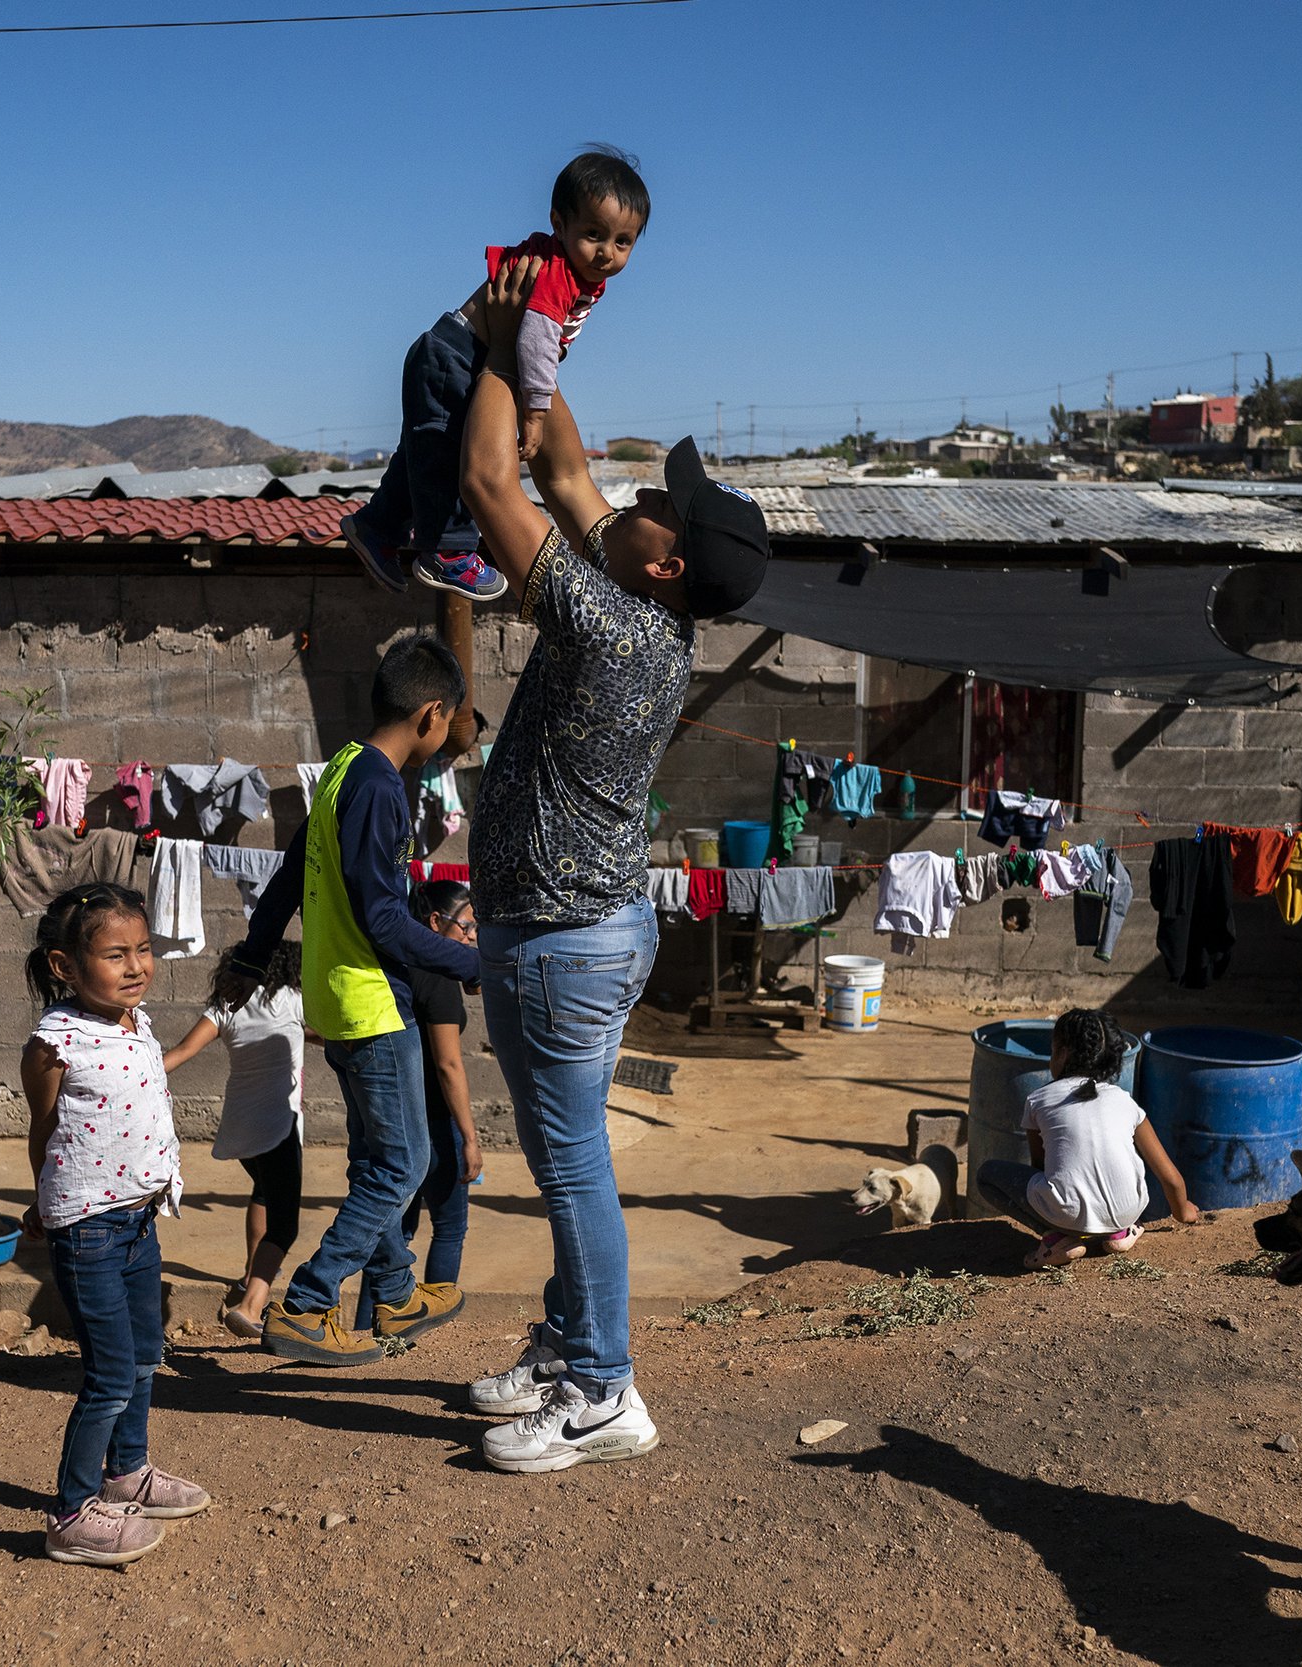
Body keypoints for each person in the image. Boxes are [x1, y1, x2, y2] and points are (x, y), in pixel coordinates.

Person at [451, 254, 774, 1474]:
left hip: (557, 944)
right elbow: (560, 466)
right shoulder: (638, 591)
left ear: (666, 558)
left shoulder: (612, 624)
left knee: (573, 1169)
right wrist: (546, 329)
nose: (642, 491)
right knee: (563, 1161)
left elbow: (492, 477)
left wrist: (492, 346)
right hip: (579, 930)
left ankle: (603, 1388)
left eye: (664, 502)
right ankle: (570, 1340)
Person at [223, 635, 484, 1367]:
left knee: (378, 1156)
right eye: (450, 724)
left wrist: (251, 955)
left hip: (340, 1002)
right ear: (433, 713)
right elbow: (385, 919)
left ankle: (396, 1291)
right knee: (404, 1164)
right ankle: (309, 1301)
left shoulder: (343, 768)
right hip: (371, 1006)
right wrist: (469, 961)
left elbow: (285, 877)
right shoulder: (377, 786)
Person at [340, 145, 650, 604]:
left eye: (622, 242)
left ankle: (377, 526)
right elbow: (536, 341)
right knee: (453, 455)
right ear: (559, 224)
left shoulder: (579, 271)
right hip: (458, 357)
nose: (606, 252)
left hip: (450, 354)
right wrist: (536, 412)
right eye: (593, 234)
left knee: (423, 457)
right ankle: (448, 551)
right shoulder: (557, 273)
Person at [19, 882, 212, 1568]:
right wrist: (41, 1200)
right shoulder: (53, 1042)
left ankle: (128, 1473)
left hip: (138, 1221)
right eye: (114, 953)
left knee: (141, 1357)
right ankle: (70, 1515)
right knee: (107, 1375)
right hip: (89, 1229)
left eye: (143, 949)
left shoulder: (139, 1020)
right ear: (66, 964)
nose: (135, 965)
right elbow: (43, 1131)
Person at [973, 1008, 1202, 1270]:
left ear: (1062, 1052)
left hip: (1067, 1213)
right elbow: (1170, 1178)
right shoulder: (1125, 1102)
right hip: (1129, 1210)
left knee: (987, 1174)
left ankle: (1055, 1239)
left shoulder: (1039, 1100)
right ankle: (1118, 1234)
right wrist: (1183, 1212)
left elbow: (1041, 1166)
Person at [352, 879, 484, 1333]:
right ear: (435, 922)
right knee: (449, 1228)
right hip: (432, 1122)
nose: (471, 938)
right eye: (466, 926)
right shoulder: (439, 978)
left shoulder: (395, 964)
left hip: (392, 1118)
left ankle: (374, 1325)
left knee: (392, 1230)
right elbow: (449, 1065)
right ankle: (431, 1326)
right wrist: (469, 1136)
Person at [161, 940, 308, 1340]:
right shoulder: (293, 1000)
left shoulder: (227, 1007)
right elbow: (332, 1035)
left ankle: (248, 1275)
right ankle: (250, 1306)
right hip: (278, 1128)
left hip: (241, 1128)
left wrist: (135, 1074)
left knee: (264, 1191)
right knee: (285, 1226)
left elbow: (183, 1050)